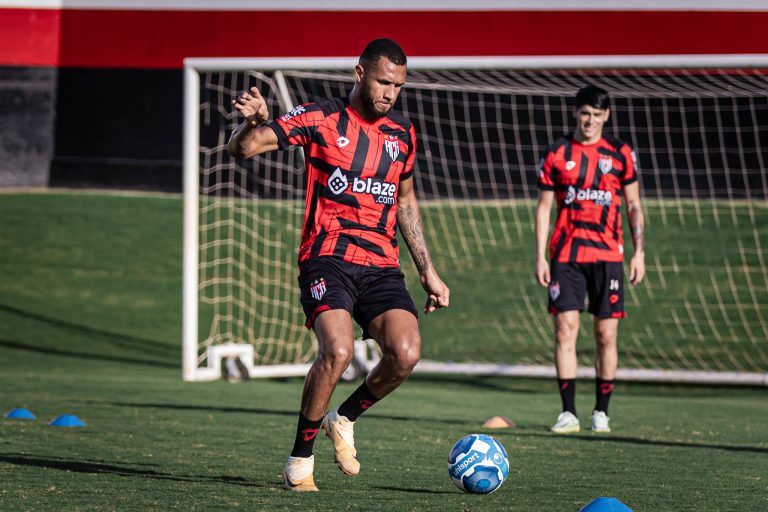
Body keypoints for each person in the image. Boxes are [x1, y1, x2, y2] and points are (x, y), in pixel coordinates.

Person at [228, 38, 450, 491]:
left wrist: (427, 269)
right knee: (338, 352)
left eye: (398, 86)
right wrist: (252, 124)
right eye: (383, 82)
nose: (390, 93)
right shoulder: (320, 117)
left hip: (382, 264)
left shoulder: (402, 134)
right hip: (326, 259)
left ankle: (343, 417)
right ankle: (300, 459)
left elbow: (405, 202)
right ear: (359, 73)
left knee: (406, 353)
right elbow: (244, 150)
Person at [534, 84, 645, 434]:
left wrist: (639, 252)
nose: (590, 121)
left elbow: (633, 206)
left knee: (605, 336)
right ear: (575, 113)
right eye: (585, 114)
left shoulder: (620, 153)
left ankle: (601, 412)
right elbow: (543, 208)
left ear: (606, 116)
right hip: (566, 257)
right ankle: (568, 412)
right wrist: (540, 256)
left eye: (597, 115)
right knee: (565, 331)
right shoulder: (557, 153)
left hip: (609, 256)